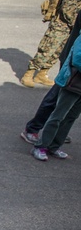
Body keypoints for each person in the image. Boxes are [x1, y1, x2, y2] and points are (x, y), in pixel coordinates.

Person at [22, 14, 81, 143]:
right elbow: (68, 14)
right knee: (56, 97)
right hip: (73, 63)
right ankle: (33, 129)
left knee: (70, 105)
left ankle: (57, 133)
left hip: (74, 62)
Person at [31, 37, 81, 160]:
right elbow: (77, 59)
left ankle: (54, 146)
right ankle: (40, 146)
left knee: (71, 117)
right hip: (72, 83)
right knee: (58, 116)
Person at [21, 0, 80, 87]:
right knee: (47, 48)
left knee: (59, 51)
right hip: (62, 21)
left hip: (75, 25)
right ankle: (29, 73)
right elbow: (67, 7)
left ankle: (42, 74)